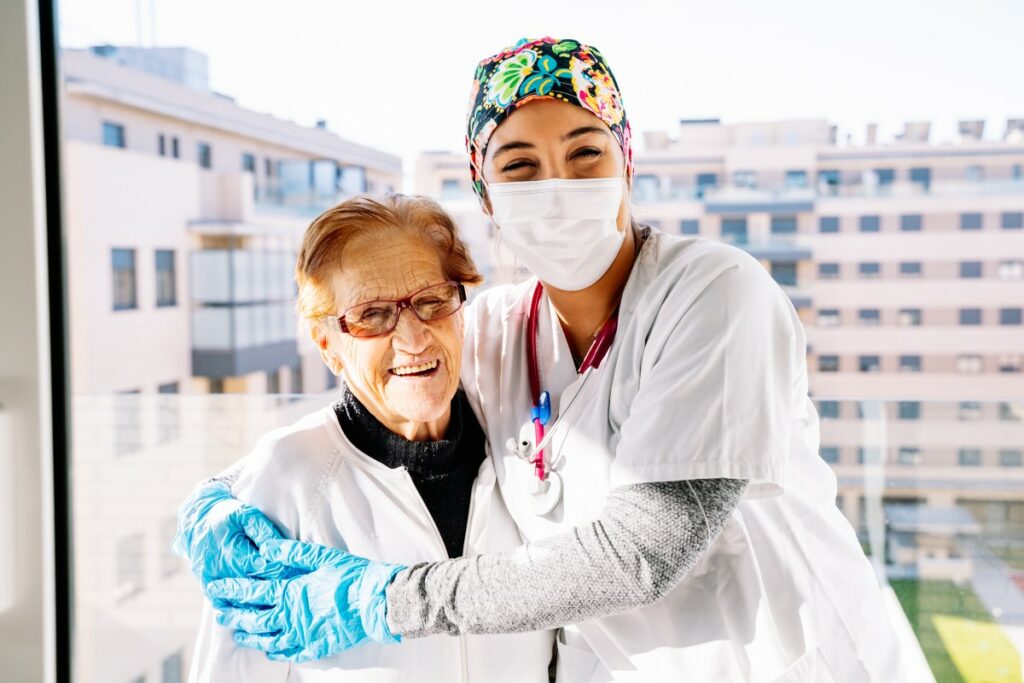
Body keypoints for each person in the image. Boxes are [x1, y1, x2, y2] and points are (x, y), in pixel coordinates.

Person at [178, 37, 906, 682]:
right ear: (485, 195)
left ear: (627, 161)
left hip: (795, 661)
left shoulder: (716, 294)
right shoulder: (491, 327)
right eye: (519, 165)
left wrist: (387, 598)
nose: (555, 187)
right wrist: (219, 501)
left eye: (585, 152)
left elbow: (643, 553)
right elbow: (387, 374)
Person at [178, 195, 554, 681]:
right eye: (372, 315)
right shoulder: (287, 479)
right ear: (327, 346)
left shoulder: (514, 438)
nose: (414, 338)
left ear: (461, 310)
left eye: (433, 300)